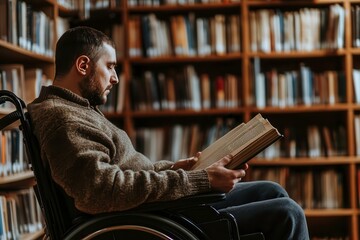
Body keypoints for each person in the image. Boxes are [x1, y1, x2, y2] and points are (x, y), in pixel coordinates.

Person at [27, 26, 309, 239]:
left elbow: (121, 171)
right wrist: (199, 181)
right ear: (83, 65)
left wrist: (174, 169)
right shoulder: (62, 119)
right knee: (287, 214)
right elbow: (101, 191)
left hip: (153, 207)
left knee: (272, 190)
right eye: (110, 66)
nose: (115, 77)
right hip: (144, 222)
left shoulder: (76, 109)